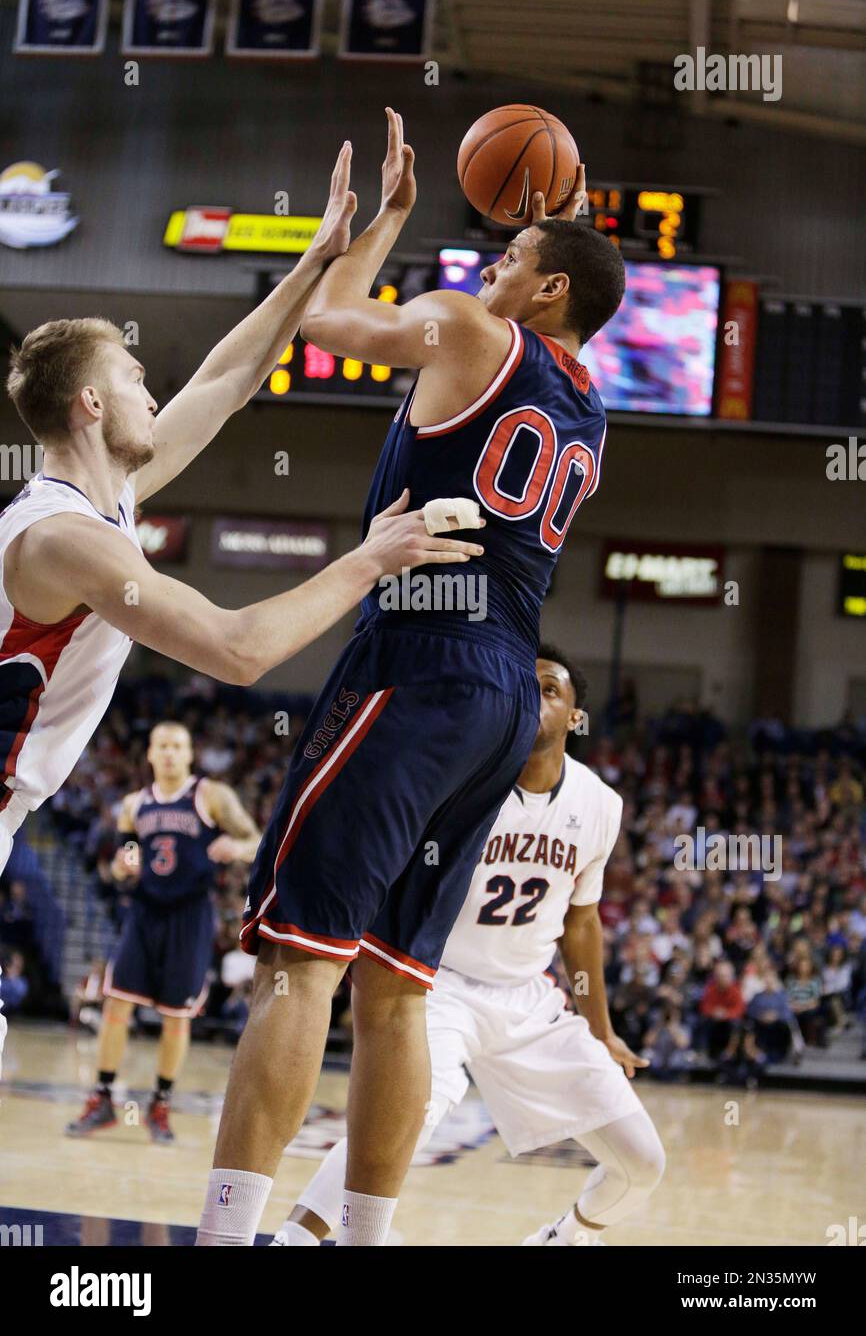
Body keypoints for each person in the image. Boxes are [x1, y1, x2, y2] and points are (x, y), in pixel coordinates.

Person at [197, 110, 626, 1247]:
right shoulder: (586, 404)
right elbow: (570, 263)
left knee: (299, 966)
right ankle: (366, 1241)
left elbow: (328, 319)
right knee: (395, 990)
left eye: (506, 260)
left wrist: (380, 219)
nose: (487, 266)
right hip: (499, 693)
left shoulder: (459, 328)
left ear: (542, 294)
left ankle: (227, 1238)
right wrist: (558, 223)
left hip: (417, 657)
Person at [0, 142, 477, 1071]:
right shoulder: (67, 538)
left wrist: (330, 252)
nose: (153, 388)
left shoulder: (106, 499)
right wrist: (370, 560)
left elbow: (227, 382)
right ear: (93, 404)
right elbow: (239, 648)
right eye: (136, 377)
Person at [270, 649, 663, 1248]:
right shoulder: (462, 779)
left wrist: (602, 1031)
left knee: (642, 1162)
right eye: (521, 686)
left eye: (551, 689)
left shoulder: (601, 805)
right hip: (435, 984)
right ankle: (297, 1239)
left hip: (528, 998)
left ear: (576, 718)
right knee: (405, 1115)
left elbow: (582, 925)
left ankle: (564, 1240)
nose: (534, 696)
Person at [66, 721, 260, 1142]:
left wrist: (238, 848)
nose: (170, 753)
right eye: (162, 746)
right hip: (144, 911)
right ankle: (101, 1099)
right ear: (150, 754)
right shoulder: (134, 805)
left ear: (189, 754)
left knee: (176, 1017)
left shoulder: (211, 795)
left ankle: (160, 1105)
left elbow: (255, 839)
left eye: (177, 746)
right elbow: (124, 856)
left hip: (192, 915)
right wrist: (120, 867)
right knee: (117, 1004)